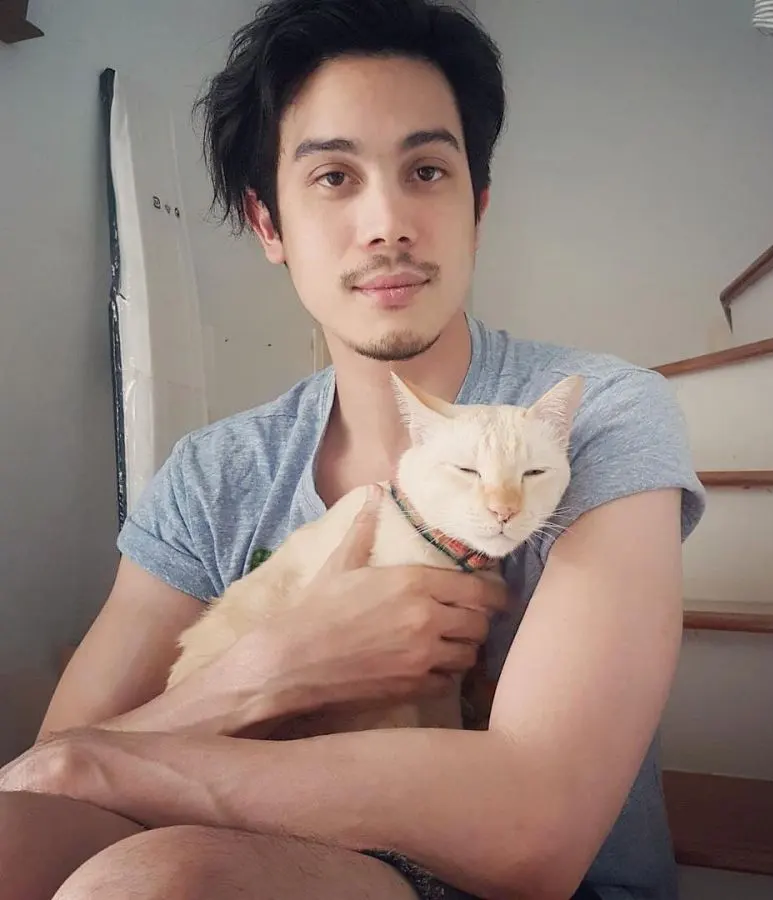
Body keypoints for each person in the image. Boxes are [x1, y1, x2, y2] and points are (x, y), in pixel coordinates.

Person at [0, 1, 705, 898]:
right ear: (268, 225)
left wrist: (120, 761)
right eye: (333, 177)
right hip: (268, 838)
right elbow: (54, 767)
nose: (387, 223)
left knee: (163, 879)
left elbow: (534, 833)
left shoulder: (600, 410)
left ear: (477, 207)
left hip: (497, 878)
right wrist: (271, 669)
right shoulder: (216, 473)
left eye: (426, 170)